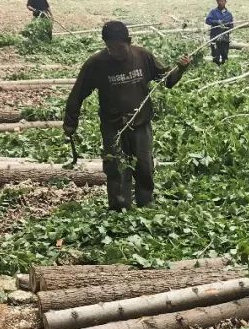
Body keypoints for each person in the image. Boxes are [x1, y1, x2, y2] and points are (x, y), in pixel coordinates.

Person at [63, 21, 191, 211]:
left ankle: (145, 204)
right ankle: (119, 209)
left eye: (119, 47)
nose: (115, 52)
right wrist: (70, 122)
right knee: (116, 168)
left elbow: (167, 80)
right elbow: (78, 93)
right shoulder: (96, 64)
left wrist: (180, 69)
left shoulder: (143, 56)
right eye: (110, 47)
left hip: (141, 124)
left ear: (129, 41)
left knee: (144, 167)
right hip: (113, 127)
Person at [205, 0, 234, 65]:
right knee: (215, 56)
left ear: (225, 2)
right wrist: (217, 22)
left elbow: (231, 25)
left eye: (222, 1)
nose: (221, 2)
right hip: (215, 38)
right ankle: (216, 69)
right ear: (217, 2)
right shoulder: (213, 12)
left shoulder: (229, 14)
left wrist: (229, 29)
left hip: (225, 39)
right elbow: (207, 20)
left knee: (225, 57)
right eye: (219, 1)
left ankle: (224, 70)